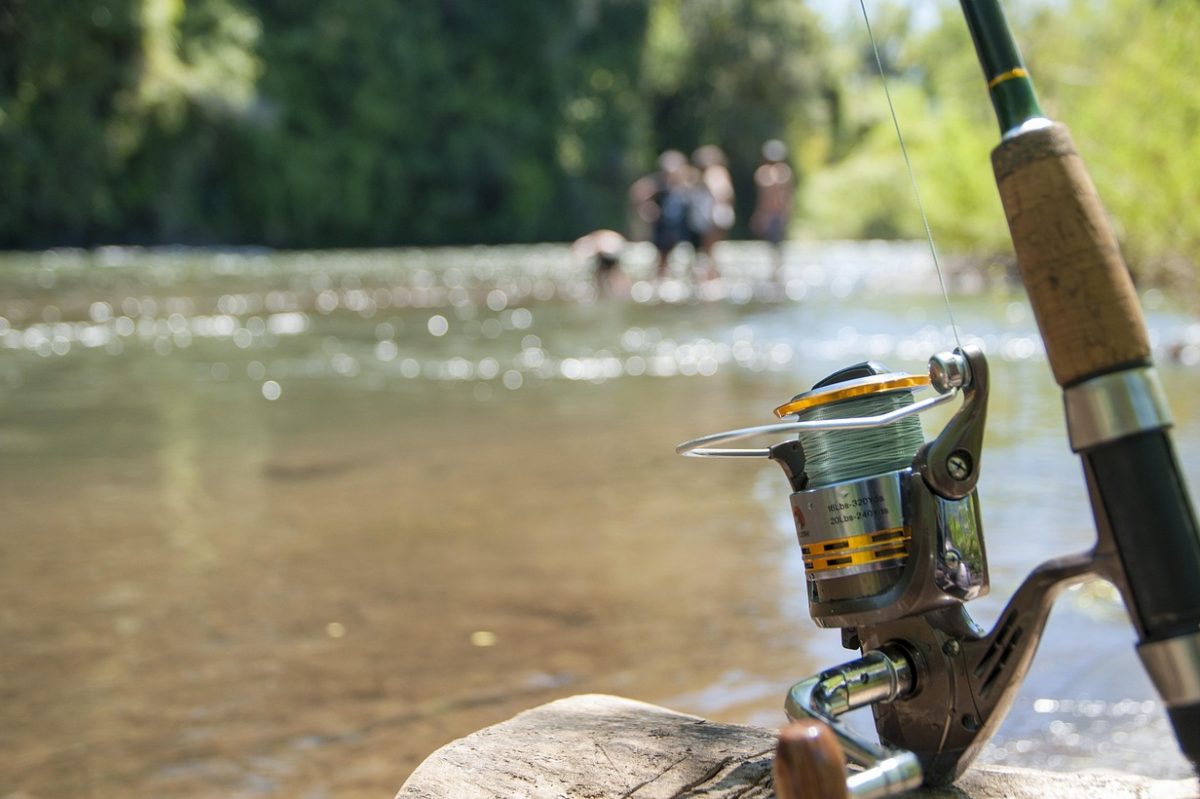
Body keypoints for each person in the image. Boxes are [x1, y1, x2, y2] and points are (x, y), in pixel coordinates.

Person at [629, 150, 692, 279]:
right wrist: (649, 209)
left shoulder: (686, 183)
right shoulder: (657, 183)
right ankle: (661, 277)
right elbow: (639, 194)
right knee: (663, 253)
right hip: (664, 225)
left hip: (682, 225)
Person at [688, 145, 735, 279]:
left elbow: (722, 191)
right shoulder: (720, 171)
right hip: (717, 213)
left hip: (713, 214)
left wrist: (717, 203)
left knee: (710, 248)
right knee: (712, 248)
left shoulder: (714, 172)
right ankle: (711, 274)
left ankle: (710, 275)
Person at [751, 139, 795, 278]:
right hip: (776, 214)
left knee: (775, 244)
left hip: (773, 214)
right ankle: (776, 271)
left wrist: (760, 214)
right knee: (775, 244)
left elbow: (766, 198)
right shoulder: (784, 172)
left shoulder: (765, 173)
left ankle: (776, 272)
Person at [572, 229, 627, 297]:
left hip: (610, 251)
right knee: (614, 279)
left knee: (602, 279)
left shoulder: (589, 241)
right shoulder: (603, 238)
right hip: (614, 249)